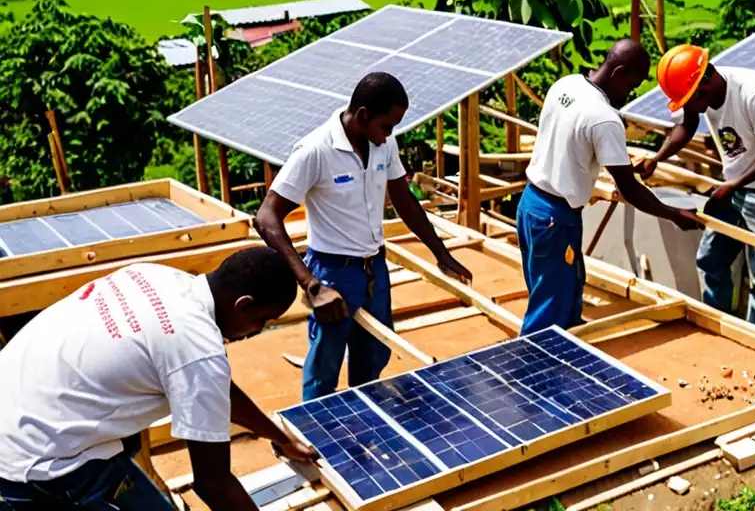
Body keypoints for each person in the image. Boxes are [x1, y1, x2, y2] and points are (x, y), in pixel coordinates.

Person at [0, 247, 314, 511]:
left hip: (15, 408)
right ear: (242, 304)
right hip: (35, 463)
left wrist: (281, 438)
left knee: (129, 443)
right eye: (262, 320)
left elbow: (215, 391)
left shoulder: (154, 274)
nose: (257, 332)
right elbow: (213, 483)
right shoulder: (197, 349)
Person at [255, 72, 472, 402]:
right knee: (325, 365)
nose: (389, 136)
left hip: (375, 269)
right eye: (386, 126)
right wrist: (312, 285)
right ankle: (313, 436)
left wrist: (440, 252)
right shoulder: (316, 151)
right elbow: (266, 217)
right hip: (333, 273)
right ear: (363, 116)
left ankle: (364, 431)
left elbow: (403, 199)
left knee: (372, 357)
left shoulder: (383, 144)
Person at [518, 38, 701, 334]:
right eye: (632, 84)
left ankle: (565, 353)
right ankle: (533, 372)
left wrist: (619, 158)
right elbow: (629, 188)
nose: (629, 94)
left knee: (563, 289)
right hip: (556, 219)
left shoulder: (566, 85)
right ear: (619, 73)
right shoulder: (605, 119)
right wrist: (673, 214)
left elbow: (572, 142)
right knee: (548, 311)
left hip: (531, 205)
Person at [637, 45, 755, 331]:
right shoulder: (702, 91)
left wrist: (733, 184)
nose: (691, 107)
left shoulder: (753, 93)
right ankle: (715, 327)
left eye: (691, 99)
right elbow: (687, 125)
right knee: (710, 259)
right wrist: (656, 159)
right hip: (733, 187)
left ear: (705, 81)